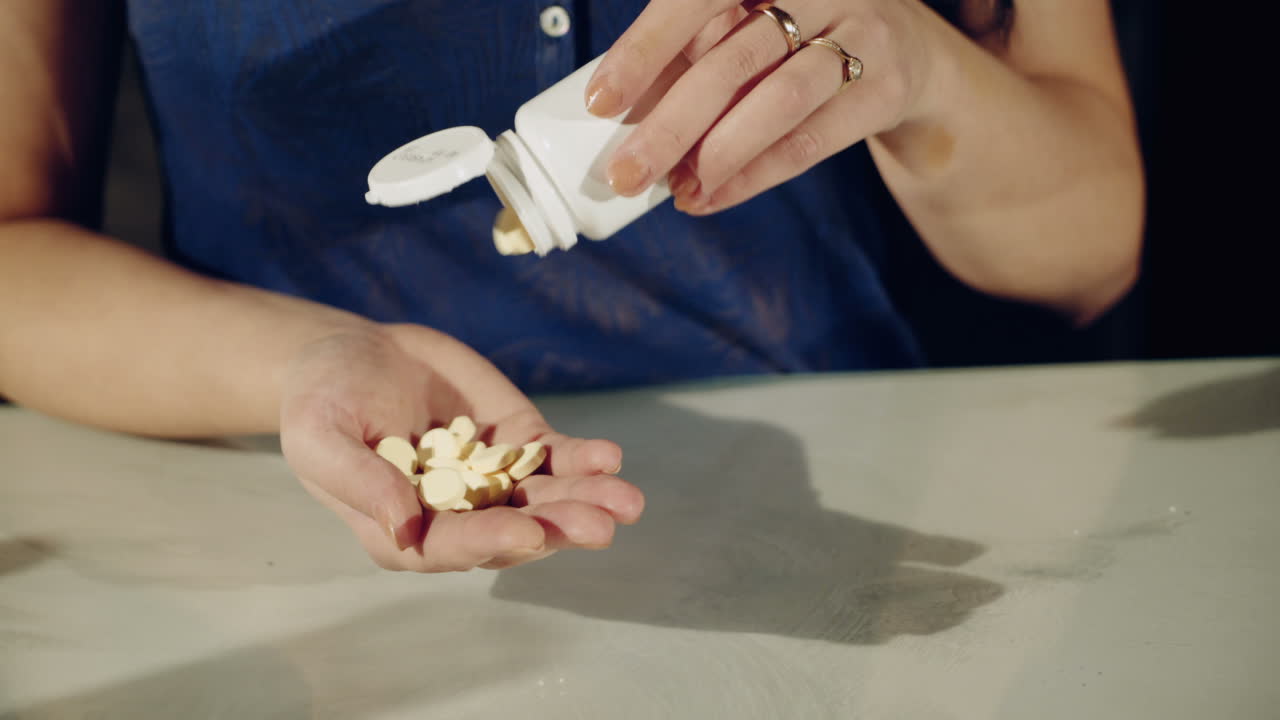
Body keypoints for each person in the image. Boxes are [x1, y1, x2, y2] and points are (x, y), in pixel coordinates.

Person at [0, 1, 1143, 572]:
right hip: (296, 537)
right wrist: (301, 364)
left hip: (859, 522)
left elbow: (1086, 253)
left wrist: (918, 65)